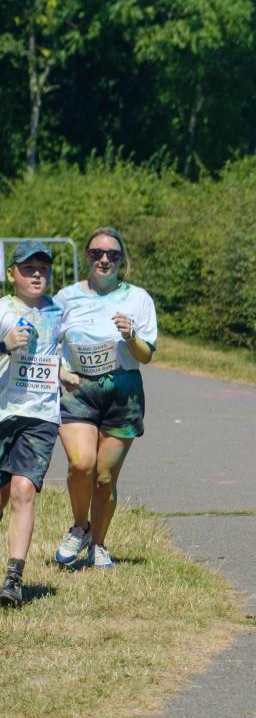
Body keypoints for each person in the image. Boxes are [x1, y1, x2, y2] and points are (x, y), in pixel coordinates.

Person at [52, 227, 158, 569]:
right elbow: (47, 346)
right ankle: (79, 526)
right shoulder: (65, 298)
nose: (104, 259)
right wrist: (58, 371)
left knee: (104, 476)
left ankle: (98, 543)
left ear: (121, 259)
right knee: (80, 464)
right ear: (87, 256)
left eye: (112, 254)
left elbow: (146, 356)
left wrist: (131, 336)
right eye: (97, 252)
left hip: (122, 393)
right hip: (77, 389)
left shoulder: (138, 299)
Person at [0, 241, 66, 606]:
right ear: (12, 274)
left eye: (43, 268)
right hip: (2, 411)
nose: (37, 274)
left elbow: (65, 350)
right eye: (28, 268)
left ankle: (13, 579)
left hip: (39, 416)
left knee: (23, 490)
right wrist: (4, 344)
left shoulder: (60, 311)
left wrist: (67, 372)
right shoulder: (3, 310)